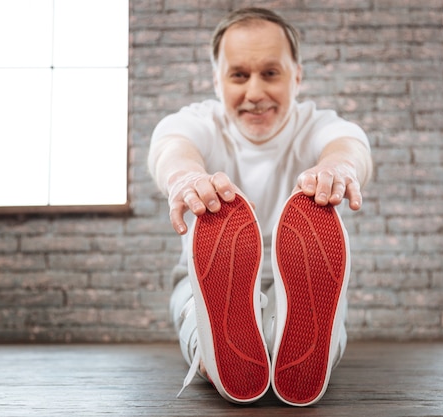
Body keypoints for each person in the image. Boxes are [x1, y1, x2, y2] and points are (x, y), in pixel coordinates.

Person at [148, 7, 372, 407]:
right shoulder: (200, 123)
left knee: (299, 336)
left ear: (297, 76)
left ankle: (281, 347)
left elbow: (347, 142)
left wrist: (338, 167)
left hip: (304, 282)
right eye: (239, 75)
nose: (254, 92)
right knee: (202, 323)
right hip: (204, 278)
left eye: (271, 73)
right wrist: (184, 177)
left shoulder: (314, 125)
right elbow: (172, 146)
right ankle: (215, 353)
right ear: (216, 80)